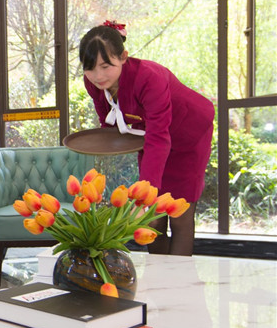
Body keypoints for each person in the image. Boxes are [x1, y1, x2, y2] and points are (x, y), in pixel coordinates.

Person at [79, 21, 215, 255]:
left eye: (105, 66)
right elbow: (108, 121)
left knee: (178, 213)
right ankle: (157, 276)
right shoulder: (93, 83)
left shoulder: (149, 77)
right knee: (153, 220)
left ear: (123, 57)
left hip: (188, 134)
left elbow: (159, 138)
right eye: (90, 68)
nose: (97, 76)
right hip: (151, 135)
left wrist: (143, 199)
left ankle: (179, 278)